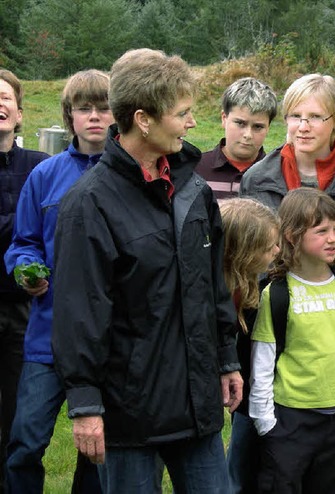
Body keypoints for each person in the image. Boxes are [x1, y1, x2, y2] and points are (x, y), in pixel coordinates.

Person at [51, 48, 242, 493]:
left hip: (196, 405)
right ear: (143, 119)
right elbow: (80, 312)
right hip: (130, 412)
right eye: (182, 113)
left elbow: (212, 285)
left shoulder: (193, 190)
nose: (192, 123)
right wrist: (84, 404)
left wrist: (225, 359)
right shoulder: (89, 204)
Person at [3, 69, 112, 494]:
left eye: (103, 108)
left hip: (107, 337)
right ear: (69, 116)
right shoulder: (45, 177)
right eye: (84, 109)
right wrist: (26, 269)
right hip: (46, 334)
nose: (95, 117)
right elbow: (23, 242)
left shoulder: (129, 176)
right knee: (25, 442)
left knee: (101, 449)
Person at [249, 187, 335, 494]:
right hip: (290, 421)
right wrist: (266, 421)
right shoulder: (277, 293)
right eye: (321, 231)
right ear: (291, 236)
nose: (332, 238)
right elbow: (263, 358)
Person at [240, 73, 335, 304]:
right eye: (295, 116)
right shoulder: (255, 180)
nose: (303, 127)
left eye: (315, 117)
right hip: (270, 322)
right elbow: (242, 260)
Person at [0, 69, 49, 494]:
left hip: (22, 309)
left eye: (5, 98)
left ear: (19, 113)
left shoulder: (40, 167)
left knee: (16, 414)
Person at [219, 198, 280, 494]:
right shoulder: (207, 288)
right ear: (242, 251)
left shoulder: (252, 283)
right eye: (269, 246)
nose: (278, 251)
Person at [195, 77, 277, 199]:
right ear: (224, 118)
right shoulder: (196, 169)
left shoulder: (277, 175)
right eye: (240, 123)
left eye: (258, 127)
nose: (248, 135)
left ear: (268, 127)